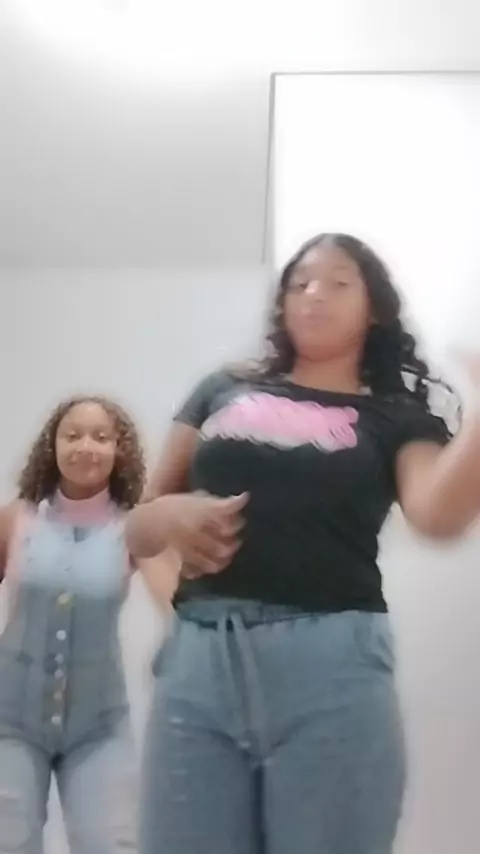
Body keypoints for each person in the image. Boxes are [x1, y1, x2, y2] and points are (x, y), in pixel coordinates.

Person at [127, 233, 480, 854]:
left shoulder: (398, 414)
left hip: (333, 669)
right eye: (300, 283)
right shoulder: (222, 388)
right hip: (199, 667)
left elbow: (437, 516)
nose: (315, 294)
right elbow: (138, 528)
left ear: (373, 309)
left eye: (339, 283)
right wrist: (169, 526)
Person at [0, 395, 148, 854]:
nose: (86, 446)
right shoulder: (18, 519)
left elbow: (178, 602)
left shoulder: (134, 528)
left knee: (112, 843)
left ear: (119, 450)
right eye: (73, 435)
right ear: (54, 446)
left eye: (101, 437)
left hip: (98, 726)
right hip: (10, 722)